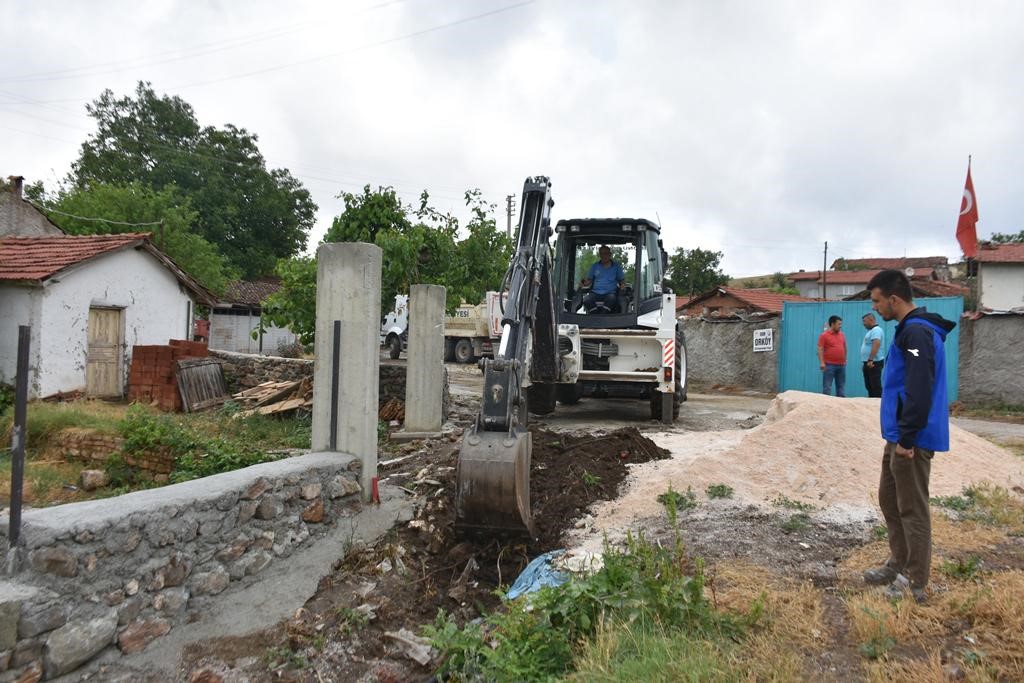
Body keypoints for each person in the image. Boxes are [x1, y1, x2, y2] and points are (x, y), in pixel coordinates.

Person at [861, 269, 955, 603]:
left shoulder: (916, 334)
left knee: (913, 508)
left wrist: (908, 438)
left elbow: (919, 385)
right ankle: (897, 562)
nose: (876, 309)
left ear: (894, 299)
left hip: (911, 437)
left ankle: (914, 582)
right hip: (900, 433)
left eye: (877, 301)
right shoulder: (909, 331)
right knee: (889, 498)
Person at [580, 245, 625, 313]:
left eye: (606, 253)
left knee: (612, 299)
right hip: (595, 293)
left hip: (610, 293)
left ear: (610, 254)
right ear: (599, 255)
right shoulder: (594, 266)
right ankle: (595, 315)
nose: (604, 256)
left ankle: (603, 315)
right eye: (601, 254)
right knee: (586, 299)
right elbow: (589, 281)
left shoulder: (616, 267)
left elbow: (621, 280)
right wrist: (583, 283)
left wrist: (622, 286)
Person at [817, 315, 847, 396]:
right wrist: (822, 363)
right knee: (827, 387)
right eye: (839, 324)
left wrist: (845, 359)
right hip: (829, 365)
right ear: (832, 324)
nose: (840, 326)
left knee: (841, 387)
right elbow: (820, 349)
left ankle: (840, 404)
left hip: (841, 365)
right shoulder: (824, 335)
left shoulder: (842, 335)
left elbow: (844, 347)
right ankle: (826, 405)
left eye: (841, 324)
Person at [860, 313, 885, 398]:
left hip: (874, 362)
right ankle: (872, 403)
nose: (863, 323)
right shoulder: (871, 331)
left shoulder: (876, 330)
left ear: (871, 320)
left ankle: (878, 404)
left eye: (864, 321)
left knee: (875, 385)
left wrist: (870, 359)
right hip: (868, 362)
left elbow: (876, 343)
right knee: (869, 385)